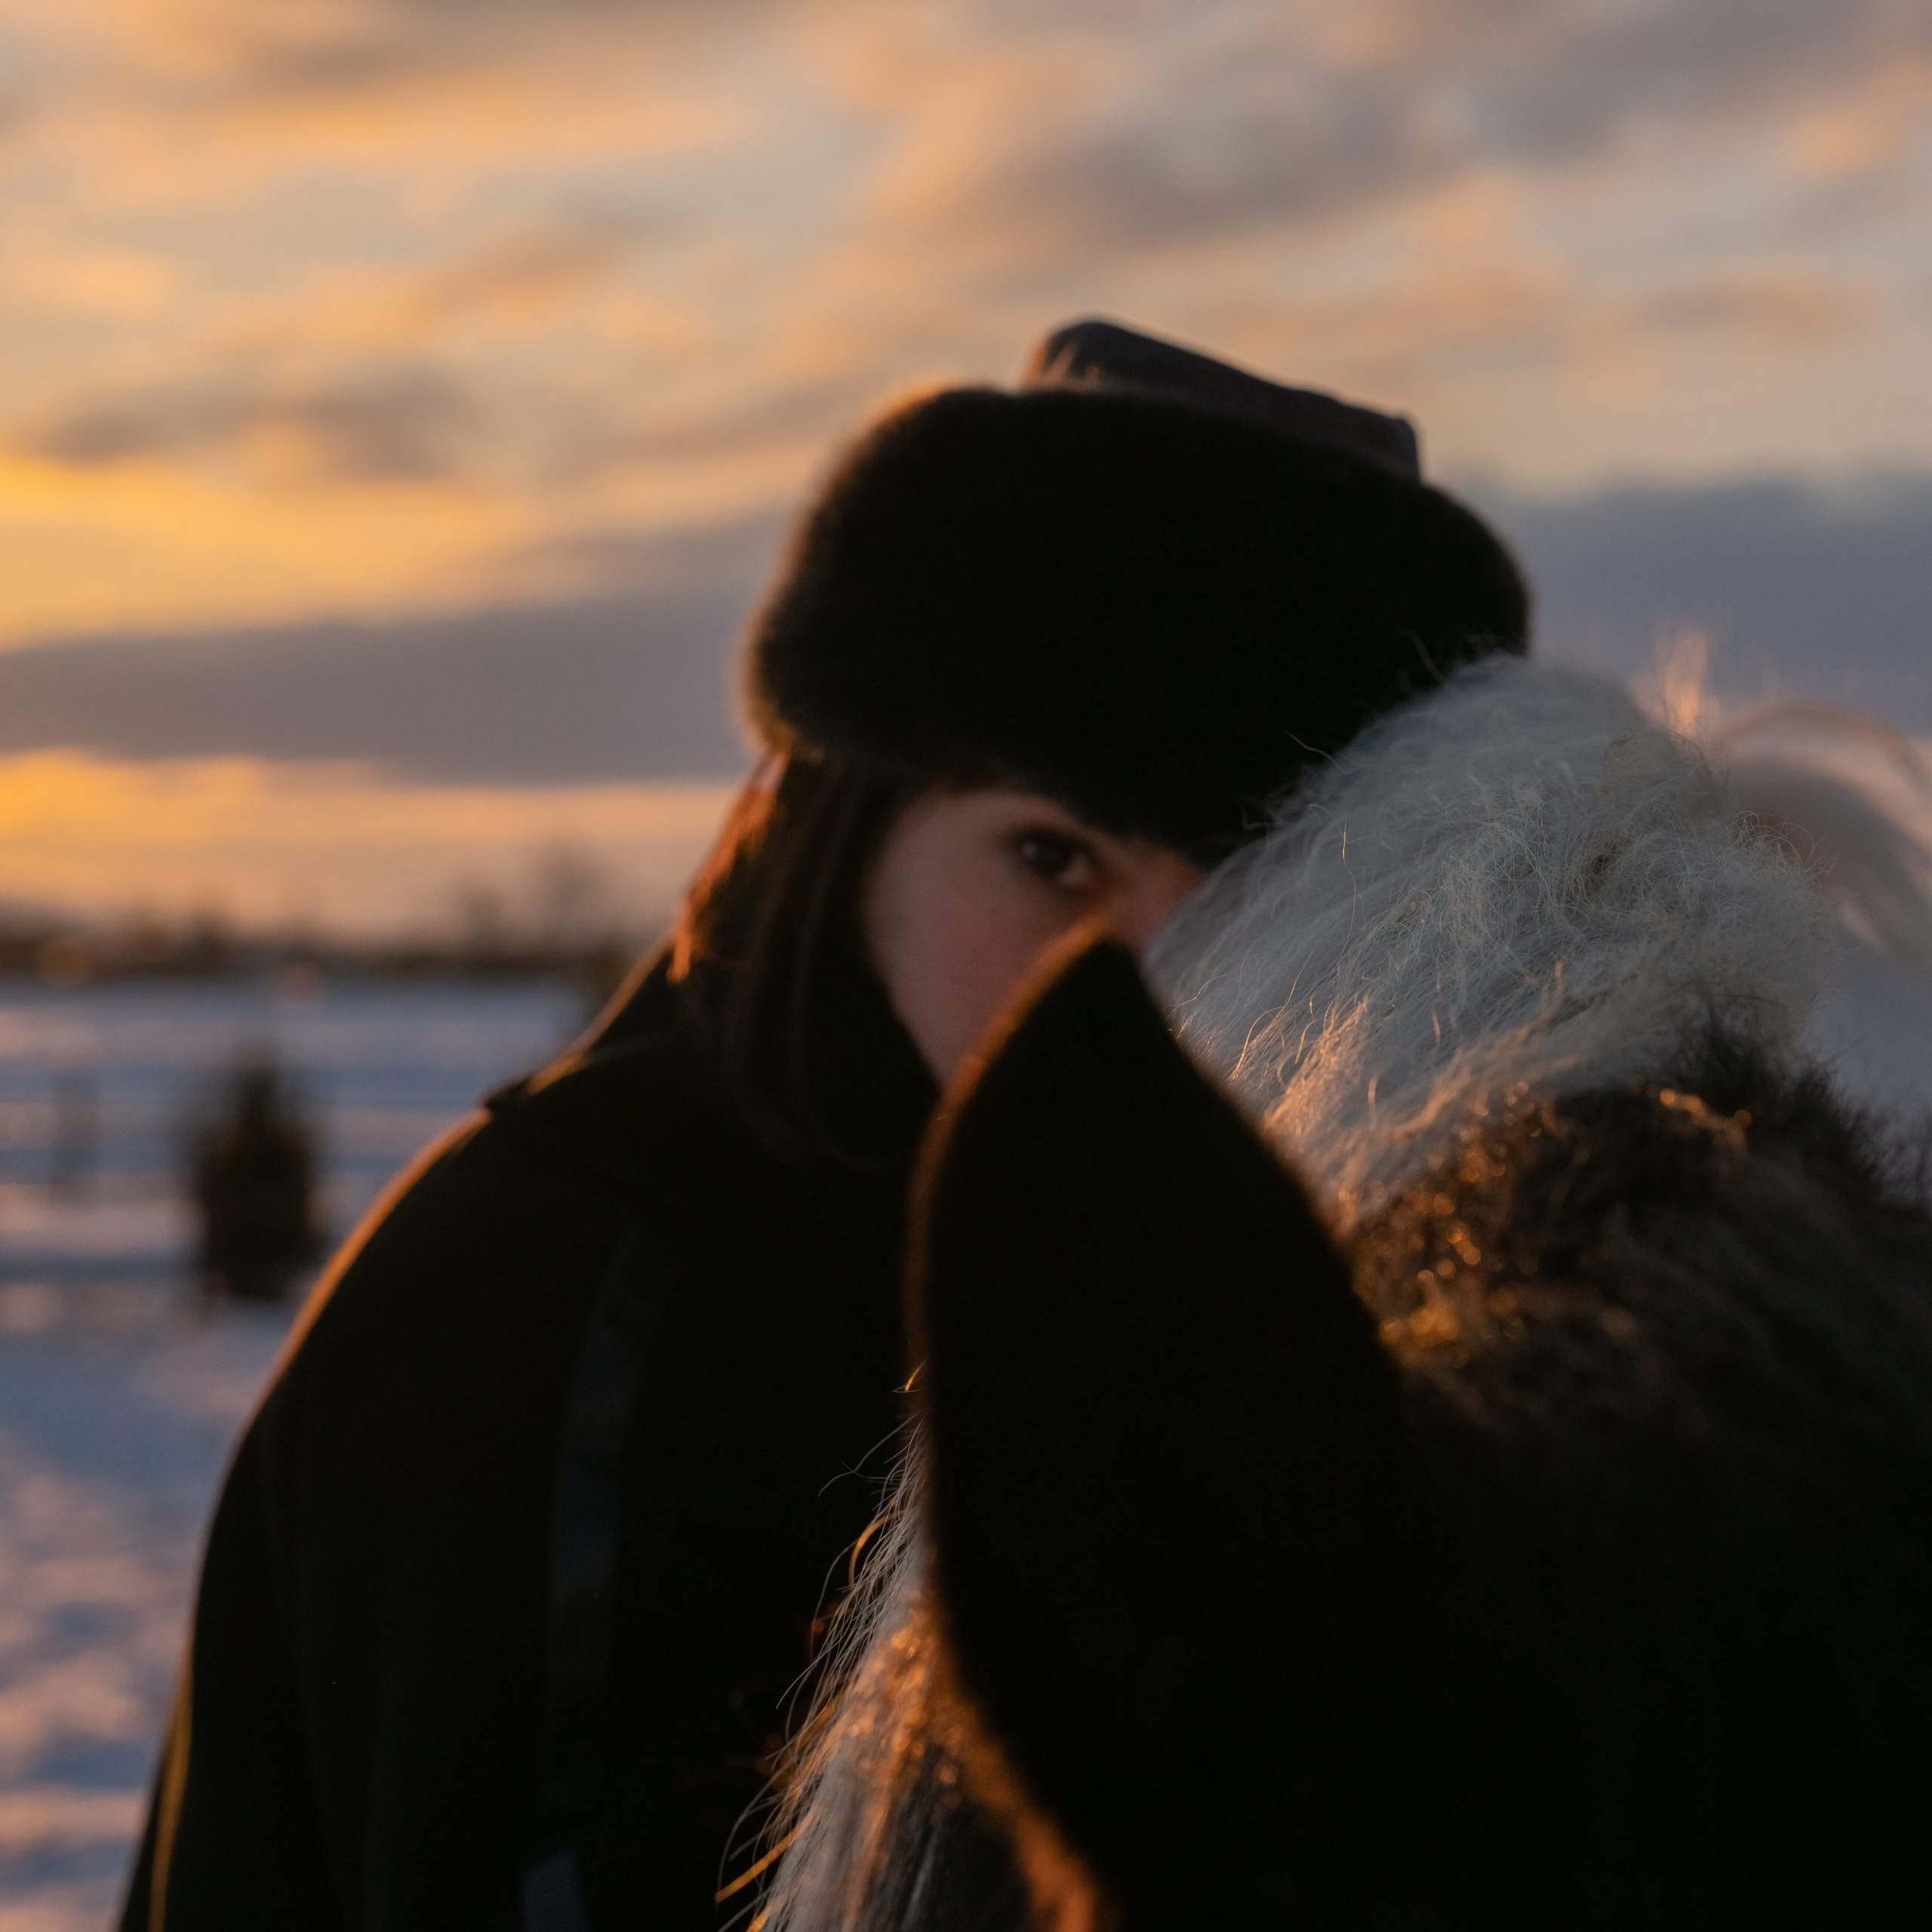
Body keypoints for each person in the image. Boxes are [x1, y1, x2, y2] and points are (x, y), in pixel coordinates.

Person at [118, 318, 1527, 1931]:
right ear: (846, 816)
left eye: (1254, 900)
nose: (1145, 983)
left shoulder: (1286, 1316)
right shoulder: (549, 1320)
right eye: (1053, 861)